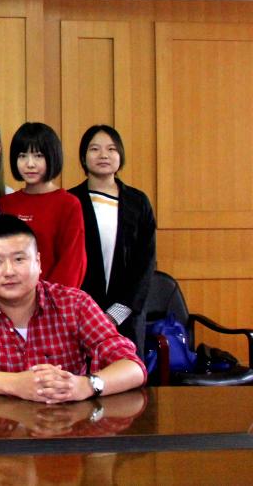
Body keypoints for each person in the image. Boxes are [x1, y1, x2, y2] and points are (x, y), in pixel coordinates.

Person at [0, 215, 146, 403]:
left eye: (19, 259)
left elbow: (133, 367)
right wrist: (14, 384)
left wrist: (86, 386)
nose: (9, 271)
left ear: (39, 262)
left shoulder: (74, 303)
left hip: (65, 428)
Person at [68, 125, 156, 355]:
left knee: (125, 372)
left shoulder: (138, 202)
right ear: (83, 157)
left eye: (111, 149)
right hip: (80, 315)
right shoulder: (70, 201)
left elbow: (145, 263)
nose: (103, 155)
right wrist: (88, 314)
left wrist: (115, 314)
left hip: (126, 316)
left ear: (120, 156)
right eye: (94, 149)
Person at [0, 122, 86, 288]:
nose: (30, 164)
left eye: (38, 156)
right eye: (22, 156)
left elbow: (72, 262)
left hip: (53, 298)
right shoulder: (4, 204)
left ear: (52, 157)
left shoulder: (68, 204)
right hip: (8, 295)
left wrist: (47, 298)